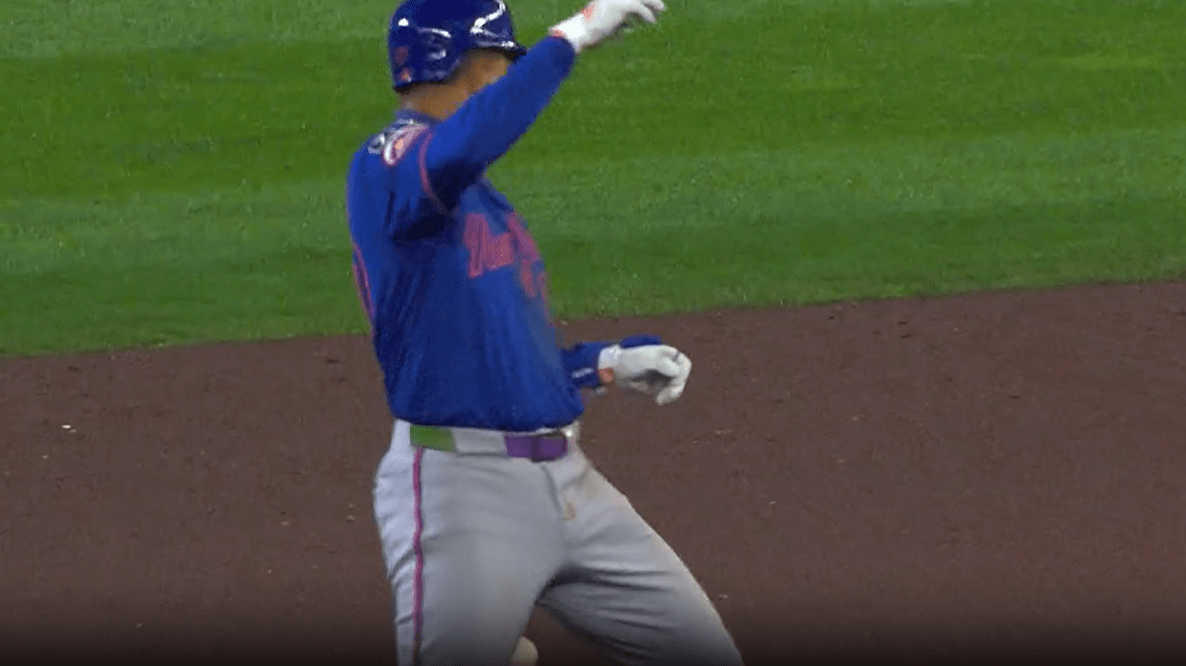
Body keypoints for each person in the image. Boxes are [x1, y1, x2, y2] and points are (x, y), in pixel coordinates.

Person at [345, 1, 743, 664]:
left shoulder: (483, 205)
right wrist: (572, 37)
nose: (510, 72)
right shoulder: (389, 166)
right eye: (504, 58)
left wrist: (607, 363)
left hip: (571, 488)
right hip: (463, 491)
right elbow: (462, 144)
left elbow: (501, 354)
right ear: (464, 63)